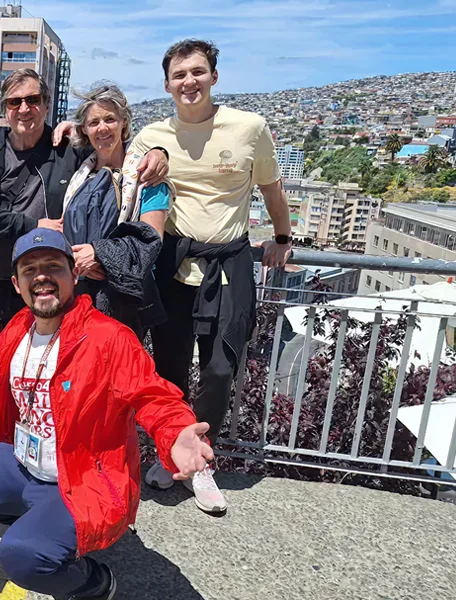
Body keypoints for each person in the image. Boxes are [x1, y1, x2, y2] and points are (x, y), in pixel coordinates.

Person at [0, 228, 214, 599]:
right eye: (30, 270)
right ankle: (42, 527)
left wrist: (176, 433)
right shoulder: (18, 328)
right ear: (17, 285)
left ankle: (93, 581)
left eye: (53, 266)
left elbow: (153, 395)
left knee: (22, 556)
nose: (42, 277)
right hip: (23, 463)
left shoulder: (108, 337)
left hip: (83, 478)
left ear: (74, 275)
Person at [56, 40, 293, 513]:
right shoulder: (153, 135)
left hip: (229, 261)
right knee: (168, 367)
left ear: (214, 77)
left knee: (221, 368)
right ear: (166, 84)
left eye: (198, 72)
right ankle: (173, 454)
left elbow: (271, 187)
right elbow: (117, 151)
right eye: (179, 75)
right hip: (173, 262)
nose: (189, 82)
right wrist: (63, 127)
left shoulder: (249, 127)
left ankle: (199, 465)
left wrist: (283, 238)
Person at [0, 68, 170, 439]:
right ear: (4, 109)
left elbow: (120, 159)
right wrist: (33, 224)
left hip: (51, 291)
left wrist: (158, 152)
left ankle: (37, 452)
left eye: (33, 100)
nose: (24, 108)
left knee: (50, 380)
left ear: (46, 104)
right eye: (15, 101)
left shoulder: (67, 152)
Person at [62, 82, 176, 338]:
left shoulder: (149, 178)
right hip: (74, 298)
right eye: (94, 122)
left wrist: (99, 254)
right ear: (85, 129)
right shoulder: (78, 177)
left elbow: (151, 239)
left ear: (124, 123)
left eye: (110, 119)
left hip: (123, 306)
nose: (102, 128)